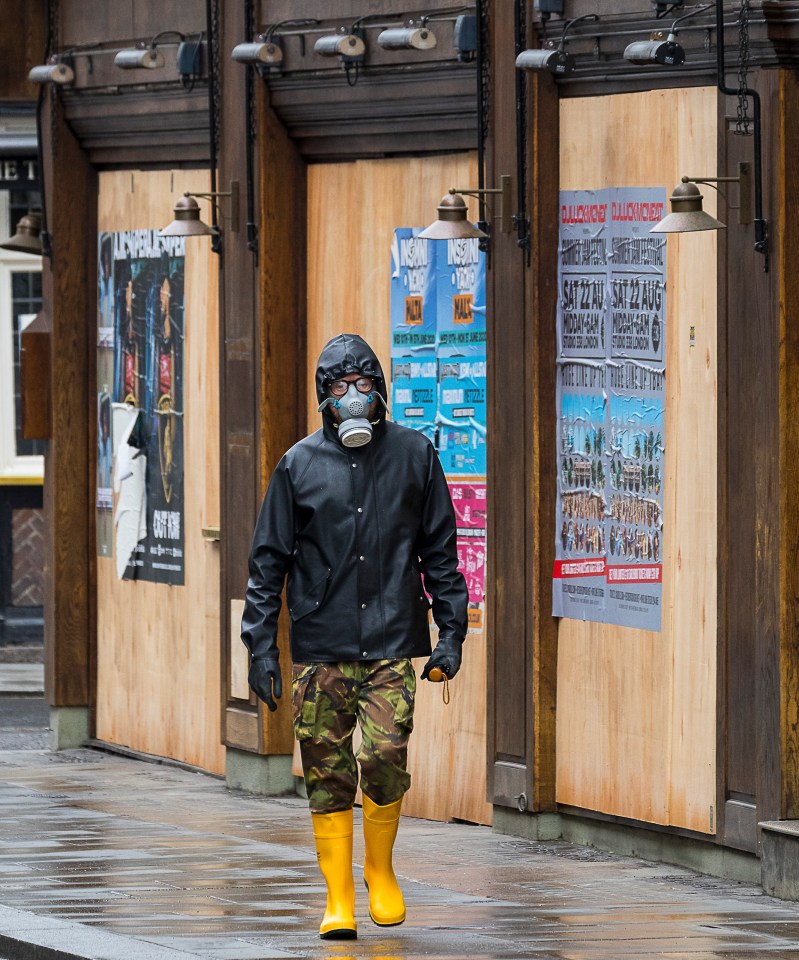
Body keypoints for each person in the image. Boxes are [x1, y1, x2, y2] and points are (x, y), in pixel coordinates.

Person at [241, 333, 467, 940]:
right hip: (323, 643)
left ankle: (380, 869)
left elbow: (440, 554)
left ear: (381, 392)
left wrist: (451, 633)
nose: (352, 399)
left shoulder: (416, 457)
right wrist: (260, 645)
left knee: (385, 756)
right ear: (323, 397)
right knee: (326, 766)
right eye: (339, 389)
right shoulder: (298, 466)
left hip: (393, 637)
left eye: (363, 386)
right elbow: (268, 564)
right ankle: (338, 893)